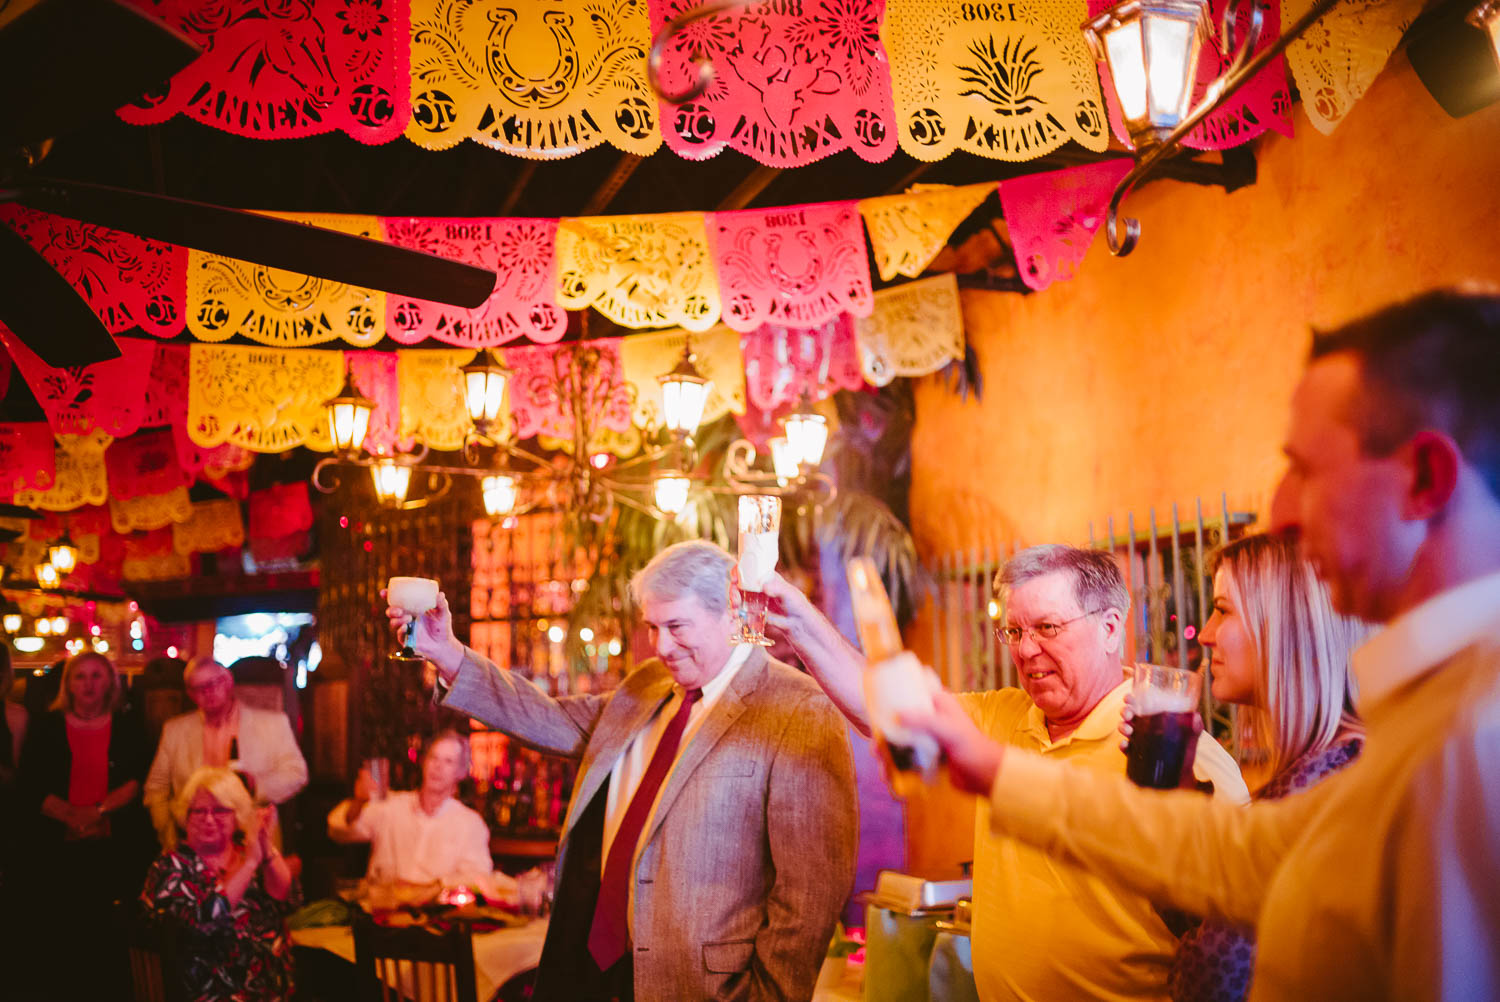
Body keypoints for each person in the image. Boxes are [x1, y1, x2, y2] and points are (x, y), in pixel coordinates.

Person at [900, 289, 1500, 1001]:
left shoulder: (1479, 725)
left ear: (1425, 478)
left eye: (1308, 469)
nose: (1281, 508)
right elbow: (1241, 861)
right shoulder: (1429, 705)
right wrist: (993, 768)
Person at [763, 543, 1249, 1002]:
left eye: (1048, 627)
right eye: (1015, 631)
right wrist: (798, 622)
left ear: (1110, 627)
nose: (1026, 650)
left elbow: (1234, 942)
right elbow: (883, 710)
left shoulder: (1172, 754)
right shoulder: (1004, 716)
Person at [390, 539, 858, 1002]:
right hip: (596, 971)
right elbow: (550, 718)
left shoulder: (799, 709)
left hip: (707, 988)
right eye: (653, 627)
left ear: (732, 612)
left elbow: (809, 895)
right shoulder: (650, 685)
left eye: (677, 626)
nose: (663, 646)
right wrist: (446, 652)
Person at [1134, 533, 1369, 1001]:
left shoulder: (1329, 783)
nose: (1204, 633)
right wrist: (1175, 793)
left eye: (1222, 609)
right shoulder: (1312, 771)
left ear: (1285, 625)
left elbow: (1217, 980)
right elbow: (1208, 920)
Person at [16, 651, 154, 999]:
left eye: (96, 675)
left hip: (114, 848)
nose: (89, 684)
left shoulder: (128, 724)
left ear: (111, 682)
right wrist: (70, 817)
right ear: (68, 684)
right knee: (62, 939)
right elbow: (30, 783)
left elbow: (138, 779)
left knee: (109, 940)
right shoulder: (46, 725)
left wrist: (98, 811)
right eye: (80, 676)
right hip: (56, 850)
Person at [141, 766, 298, 1002]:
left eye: (220, 810)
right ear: (186, 815)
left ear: (238, 816)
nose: (209, 819)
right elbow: (204, 921)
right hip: (212, 994)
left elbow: (284, 899)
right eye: (199, 811)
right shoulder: (171, 867)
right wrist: (250, 864)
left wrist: (266, 850)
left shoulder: (248, 854)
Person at [327, 729, 516, 900]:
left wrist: (429, 888)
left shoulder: (470, 823)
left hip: (435, 920)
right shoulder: (391, 806)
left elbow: (477, 877)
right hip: (382, 914)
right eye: (434, 758)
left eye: (448, 761)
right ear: (424, 762)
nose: (438, 767)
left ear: (459, 772)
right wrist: (359, 801)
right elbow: (338, 831)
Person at [144, 657, 308, 850]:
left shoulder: (271, 724)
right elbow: (156, 789)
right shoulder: (176, 730)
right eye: (199, 688)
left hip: (254, 840)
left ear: (229, 681)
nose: (208, 692)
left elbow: (297, 774)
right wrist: (168, 836)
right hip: (193, 843)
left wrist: (255, 786)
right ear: (190, 694)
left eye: (214, 683)